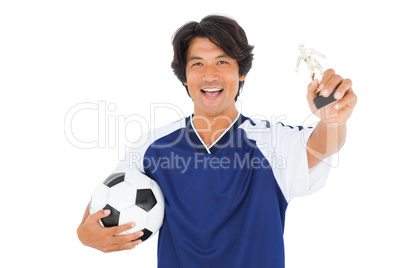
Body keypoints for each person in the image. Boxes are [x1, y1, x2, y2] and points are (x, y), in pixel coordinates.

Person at [77, 15, 357, 268]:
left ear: (242, 72)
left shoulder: (272, 142)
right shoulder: (153, 146)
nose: (210, 75)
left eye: (222, 62)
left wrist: (333, 121)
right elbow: (107, 197)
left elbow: (322, 145)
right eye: (197, 64)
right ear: (185, 77)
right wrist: (84, 233)